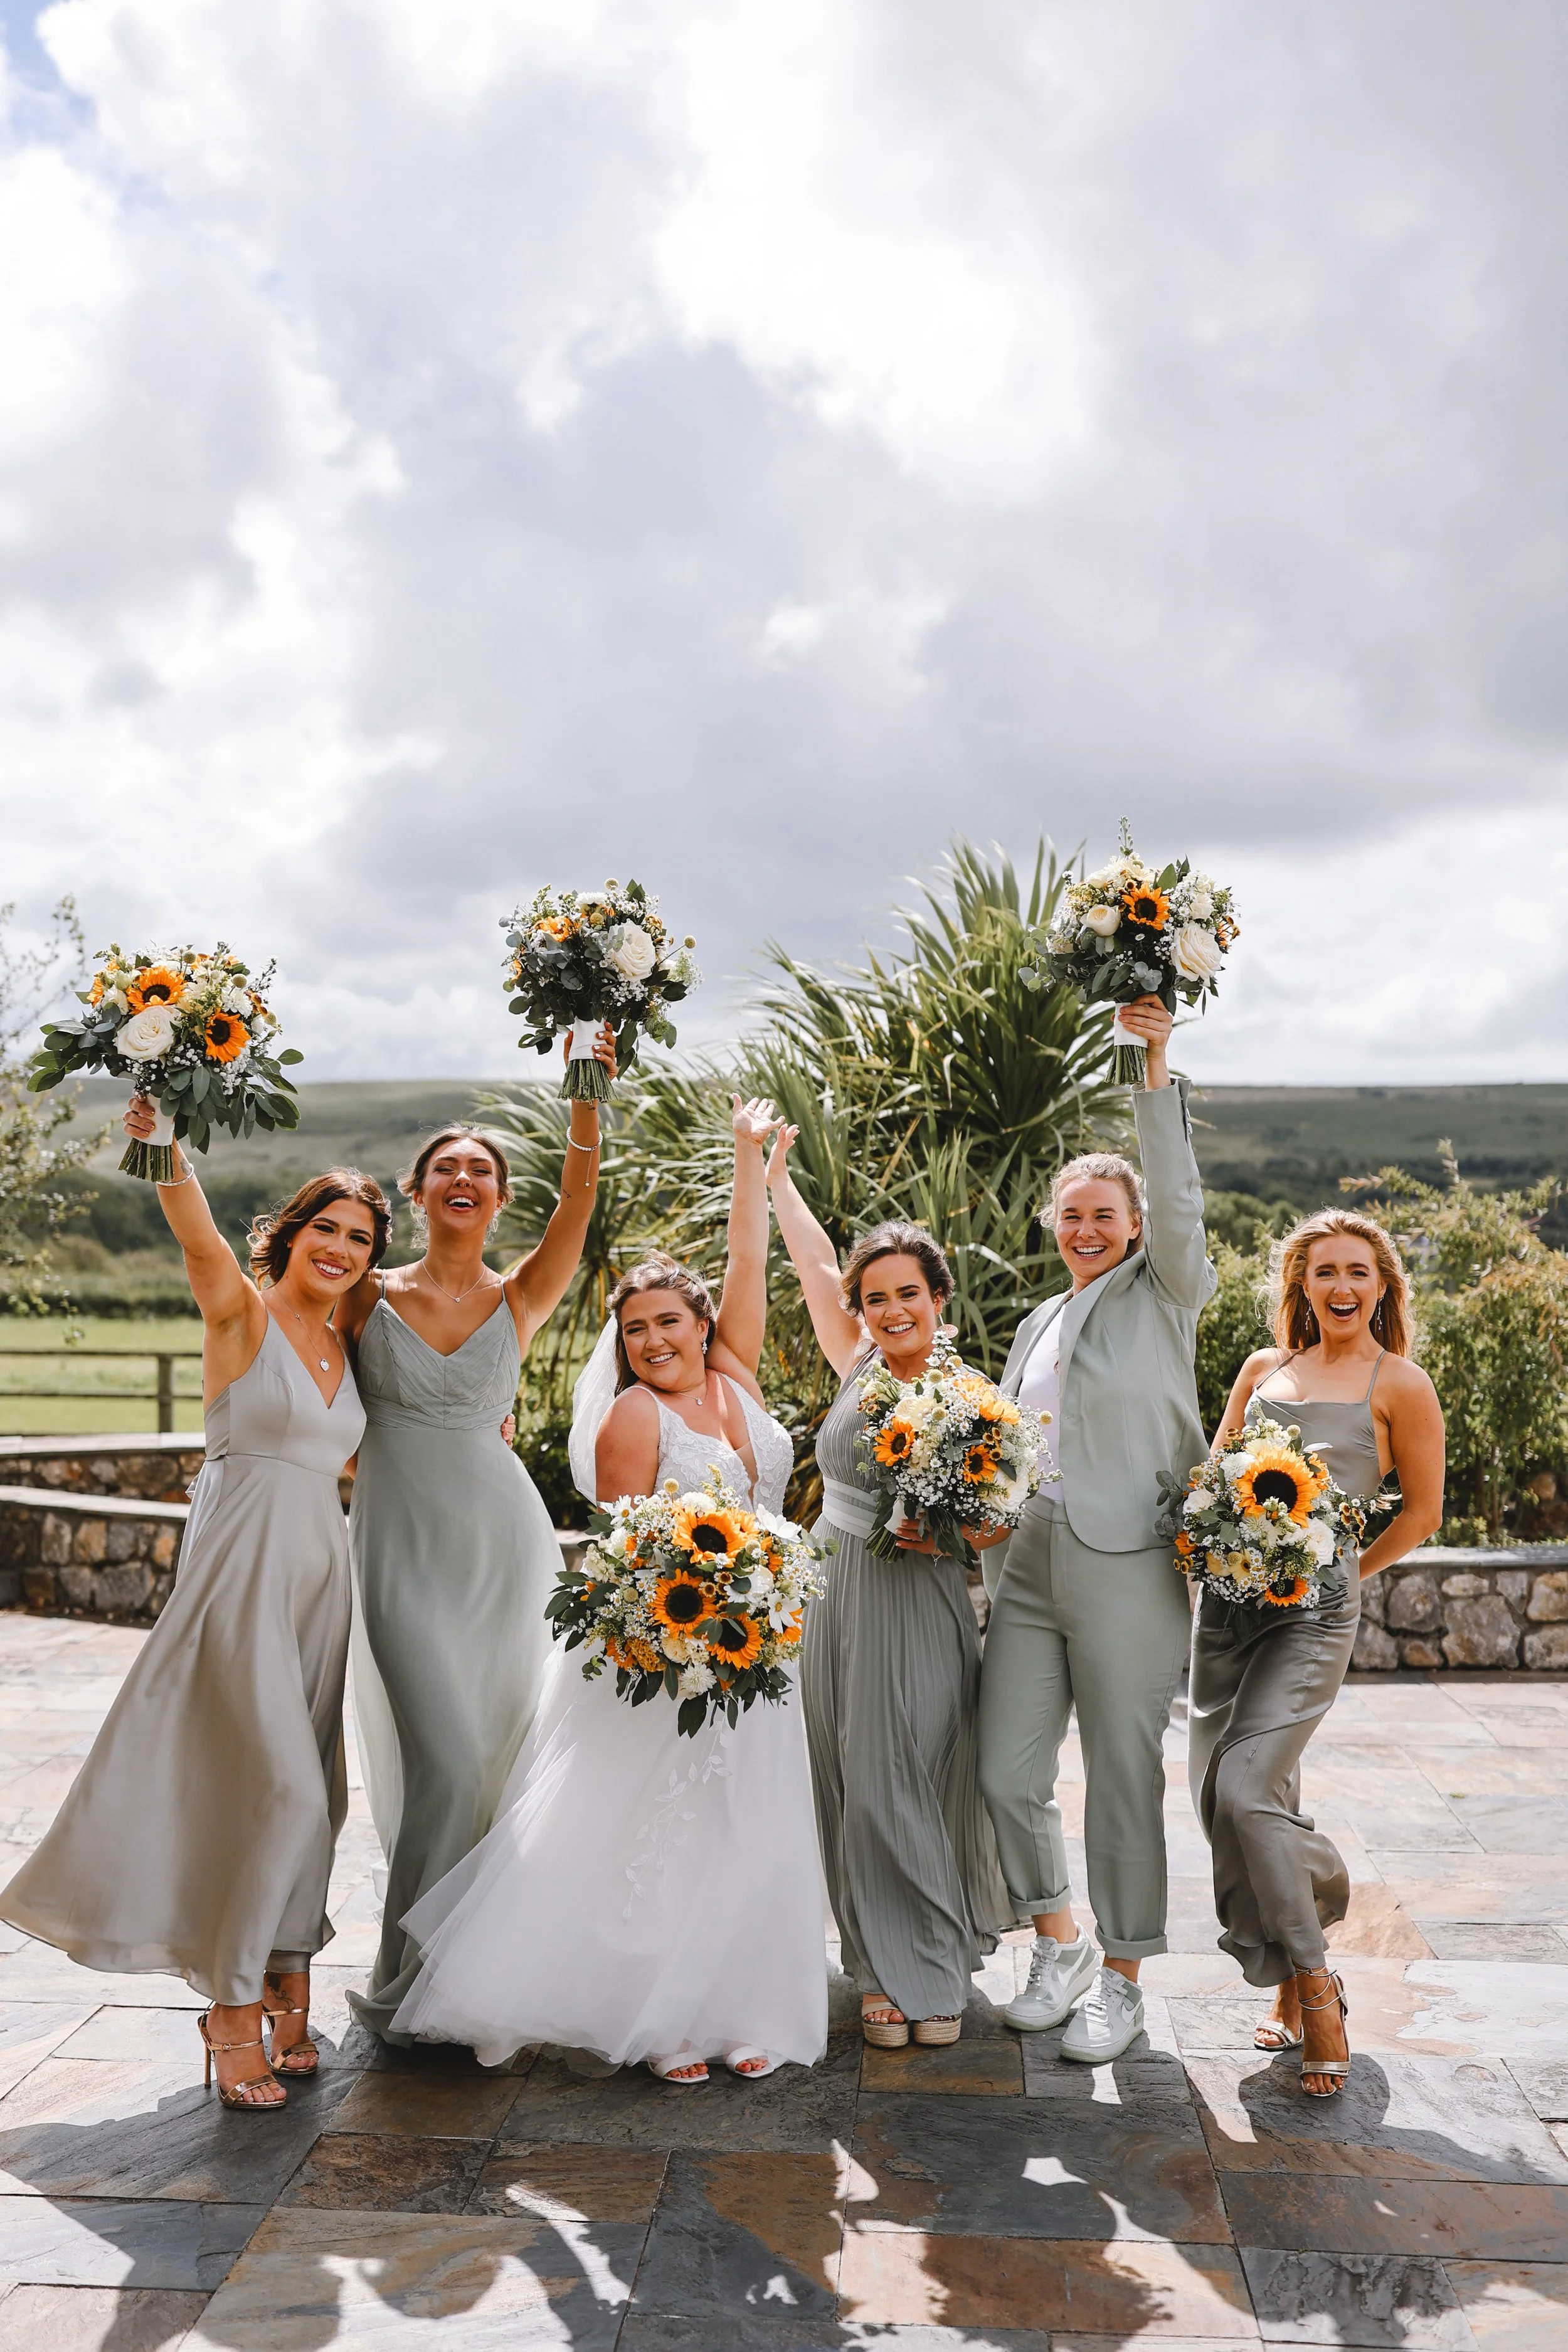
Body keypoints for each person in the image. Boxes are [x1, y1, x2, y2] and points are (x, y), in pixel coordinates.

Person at [391, 1098, 827, 2083]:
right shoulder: (634, 1415)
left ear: (703, 1321)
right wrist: (693, 1626)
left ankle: (735, 2006)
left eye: (668, 1321)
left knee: (743, 1830)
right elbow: (629, 1554)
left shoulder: (736, 1380)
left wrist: (747, 1158)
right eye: (633, 1331)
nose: (651, 1342)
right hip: (668, 1651)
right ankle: (658, 2019)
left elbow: (747, 1265)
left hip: (760, 1648)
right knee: (656, 1836)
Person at [1, 1101, 386, 2108]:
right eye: (326, 1228)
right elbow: (195, 1228)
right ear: (289, 1233)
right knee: (278, 1789)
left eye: (360, 1236)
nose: (341, 1249)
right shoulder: (241, 1312)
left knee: (317, 1795)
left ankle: (284, 1967)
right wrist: (165, 1138)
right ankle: (228, 2006)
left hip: (319, 1577)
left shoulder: (348, 1343)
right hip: (241, 1570)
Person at [335, 1028, 615, 2041]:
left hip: (508, 1550)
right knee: (448, 1759)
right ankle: (413, 1977)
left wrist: (585, 1085)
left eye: (483, 1170)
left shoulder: (521, 1293)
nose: (465, 1176)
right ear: (417, 1194)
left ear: (498, 1200)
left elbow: (580, 1200)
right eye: (447, 1166)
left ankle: (480, 1984)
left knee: (502, 1762)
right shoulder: (366, 1293)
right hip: (400, 1548)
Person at [979, 996, 1214, 2064]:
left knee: (1123, 1771)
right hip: (1029, 1562)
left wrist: (1152, 1067)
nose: (1085, 1230)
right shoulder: (1037, 1320)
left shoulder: (1167, 1292)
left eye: (1102, 1216)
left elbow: (1177, 1198)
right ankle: (1057, 1940)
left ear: (1131, 1228)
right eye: (1070, 1216)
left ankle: (1121, 1977)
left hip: (1130, 1563)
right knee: (1004, 1770)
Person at [766, 1140, 1014, 2051]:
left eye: (908, 1292)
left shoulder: (972, 1396)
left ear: (938, 1298)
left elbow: (998, 1523)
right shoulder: (855, 1366)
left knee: (912, 1774)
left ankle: (933, 1963)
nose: (891, 1309)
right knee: (847, 1777)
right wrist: (780, 1177)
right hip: (836, 1589)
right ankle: (876, 1965)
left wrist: (945, 1531)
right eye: (876, 1297)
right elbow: (813, 1259)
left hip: (920, 1597)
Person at [1190, 1207, 1444, 2096]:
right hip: (1227, 1612)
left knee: (1246, 1788)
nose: (1342, 1287)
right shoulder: (1265, 1369)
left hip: (1314, 1616)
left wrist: (1341, 1572)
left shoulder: (1400, 1383)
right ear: (1301, 1282)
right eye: (1325, 1271)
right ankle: (1301, 1967)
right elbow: (1215, 1476)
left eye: (1359, 1273)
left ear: (1382, 1287)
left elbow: (1421, 1512)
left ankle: (1317, 1983)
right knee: (1235, 1798)